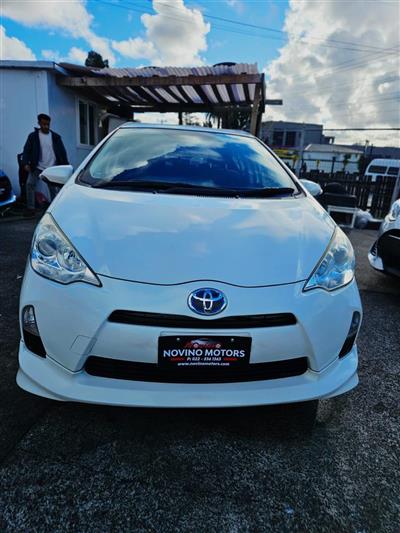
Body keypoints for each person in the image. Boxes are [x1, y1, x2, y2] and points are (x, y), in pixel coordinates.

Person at [22, 113, 68, 216]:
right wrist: (25, 163)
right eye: (44, 124)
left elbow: (62, 152)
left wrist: (66, 166)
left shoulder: (56, 137)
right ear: (39, 123)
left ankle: (54, 209)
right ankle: (31, 209)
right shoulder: (33, 136)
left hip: (52, 168)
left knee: (53, 188)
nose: (46, 126)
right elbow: (26, 150)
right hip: (37, 166)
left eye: (48, 124)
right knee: (29, 184)